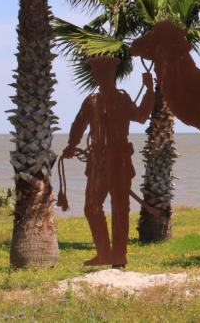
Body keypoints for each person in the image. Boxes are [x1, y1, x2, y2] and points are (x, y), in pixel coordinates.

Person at [62, 56, 155, 267]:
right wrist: (71, 145)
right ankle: (104, 254)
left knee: (119, 209)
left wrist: (150, 91)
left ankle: (119, 256)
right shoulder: (92, 101)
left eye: (98, 73)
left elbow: (140, 116)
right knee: (93, 208)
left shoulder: (122, 99)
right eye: (95, 73)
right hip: (98, 163)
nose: (96, 76)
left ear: (108, 74)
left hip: (118, 161)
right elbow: (79, 125)